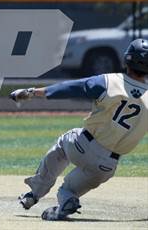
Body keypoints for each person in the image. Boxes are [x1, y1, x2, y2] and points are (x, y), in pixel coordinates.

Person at [10, 38, 148, 221]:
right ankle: (66, 200)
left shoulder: (109, 81)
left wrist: (32, 92)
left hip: (81, 145)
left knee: (62, 145)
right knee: (67, 190)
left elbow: (69, 88)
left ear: (127, 59)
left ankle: (33, 194)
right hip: (106, 166)